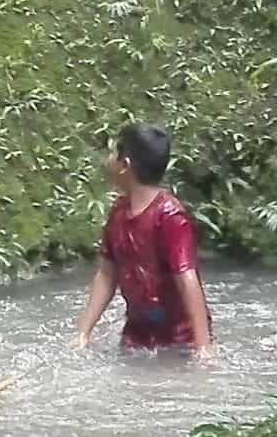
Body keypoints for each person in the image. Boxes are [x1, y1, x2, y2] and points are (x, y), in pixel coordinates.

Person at [71, 123, 213, 358]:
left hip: (180, 339)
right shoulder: (118, 212)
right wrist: (83, 333)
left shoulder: (170, 216)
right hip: (137, 334)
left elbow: (187, 278)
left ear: (125, 165)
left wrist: (203, 347)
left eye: (114, 152)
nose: (108, 160)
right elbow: (107, 274)